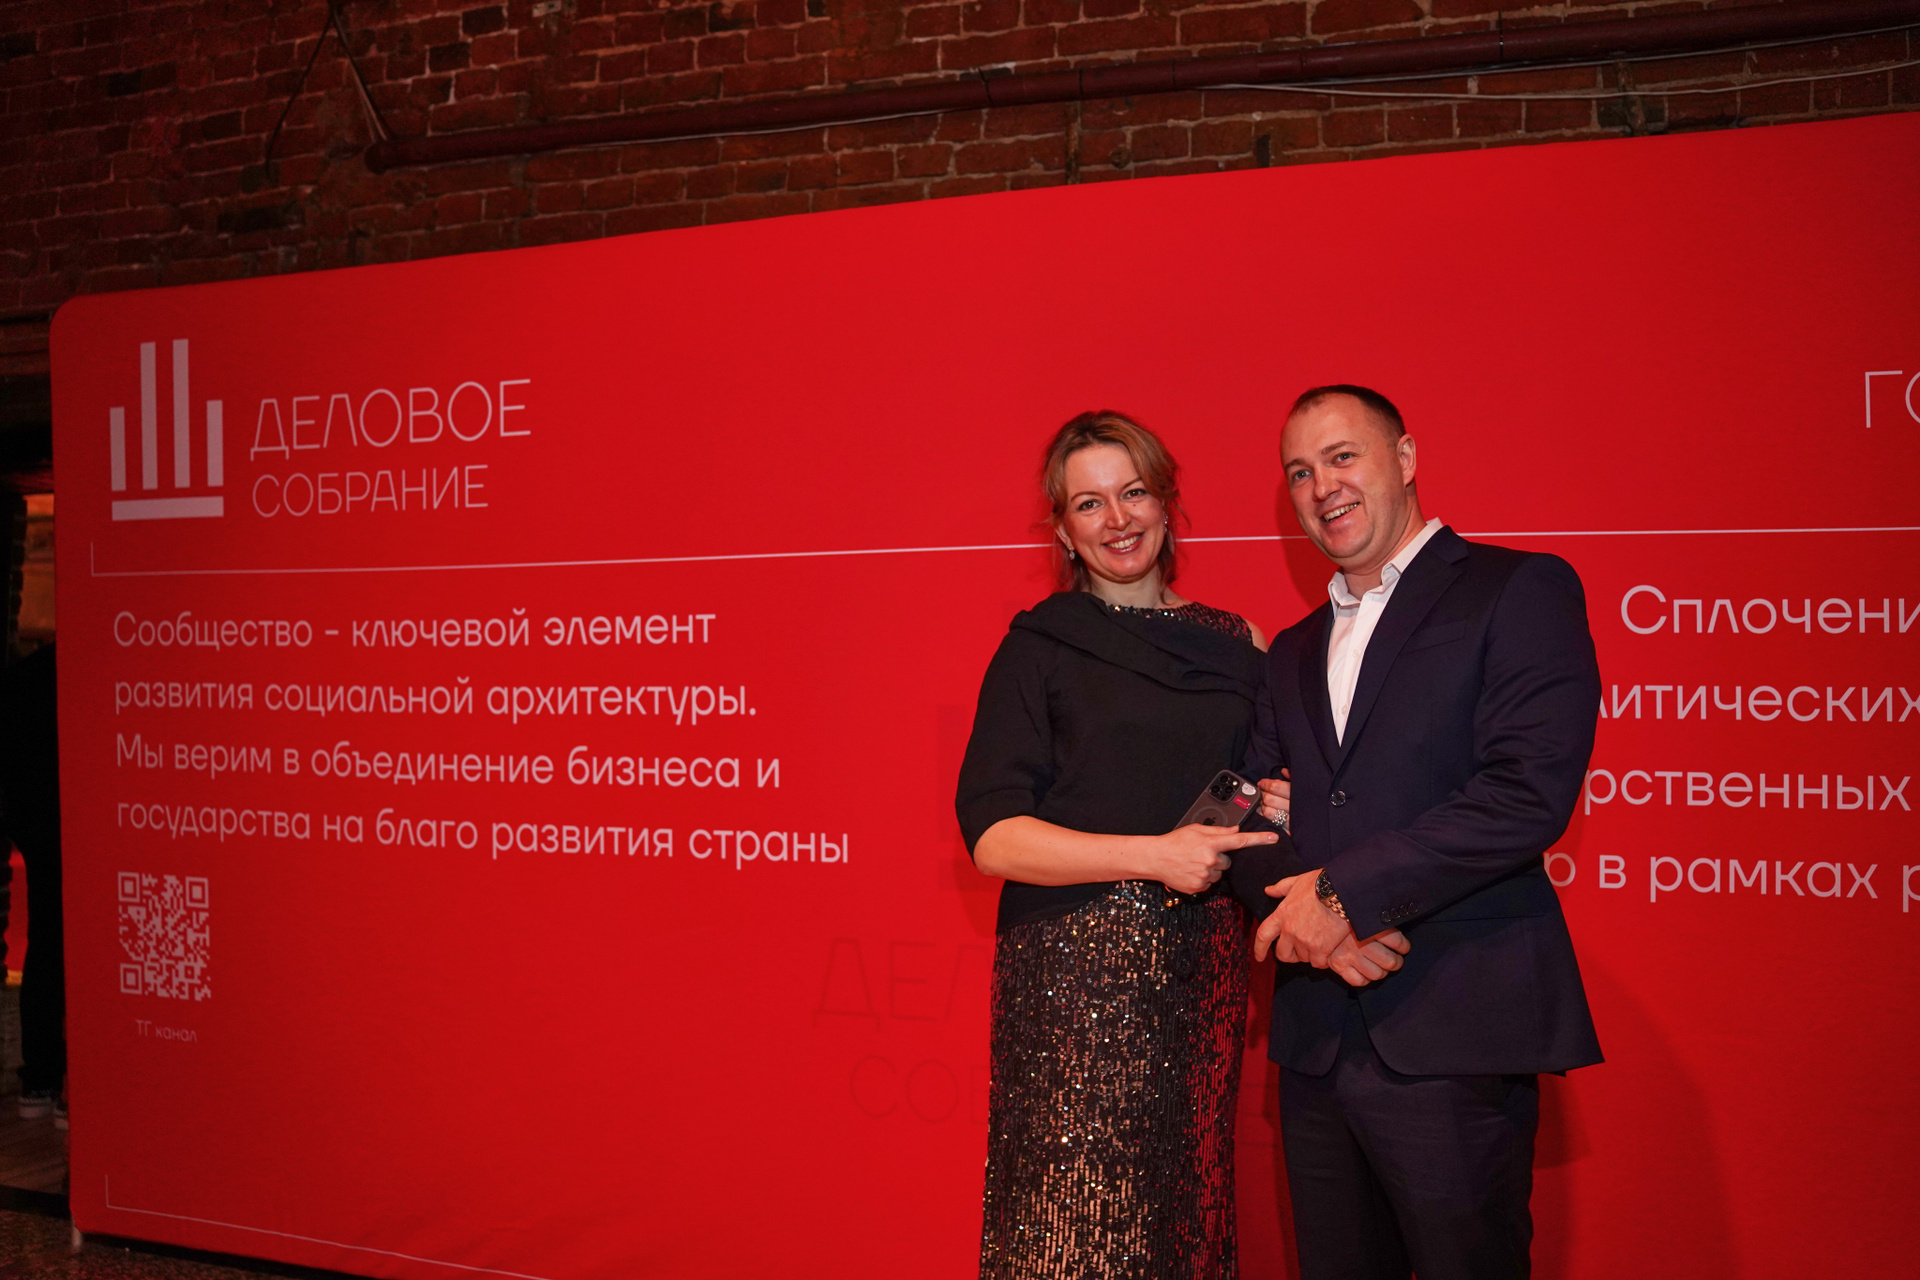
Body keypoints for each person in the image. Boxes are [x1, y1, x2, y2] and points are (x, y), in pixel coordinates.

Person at [955, 410, 1406, 1280]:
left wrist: (1280, 808)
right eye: (1089, 504)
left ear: (1166, 504)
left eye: (1133, 493)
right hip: (1071, 977)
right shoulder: (1038, 646)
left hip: (1201, 971)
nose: (1117, 519)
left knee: (1177, 1217)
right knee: (1069, 1225)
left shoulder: (1243, 646)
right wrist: (1153, 854)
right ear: (1064, 530)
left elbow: (1251, 803)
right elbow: (994, 837)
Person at [1232, 385, 1603, 1280]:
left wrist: (1340, 896)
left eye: (1343, 457)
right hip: (1317, 1041)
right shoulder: (1289, 650)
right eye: (1299, 472)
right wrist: (1324, 933)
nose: (1322, 486)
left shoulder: (1517, 589)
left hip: (1454, 1026)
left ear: (1404, 458)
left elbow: (1524, 793)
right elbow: (1238, 815)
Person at [0, 642, 64, 1126]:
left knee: (45, 942)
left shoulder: (29, 673)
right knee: (90, 950)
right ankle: (71, 1084)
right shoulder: (92, 667)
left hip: (36, 823)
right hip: (78, 823)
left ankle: (40, 1079)